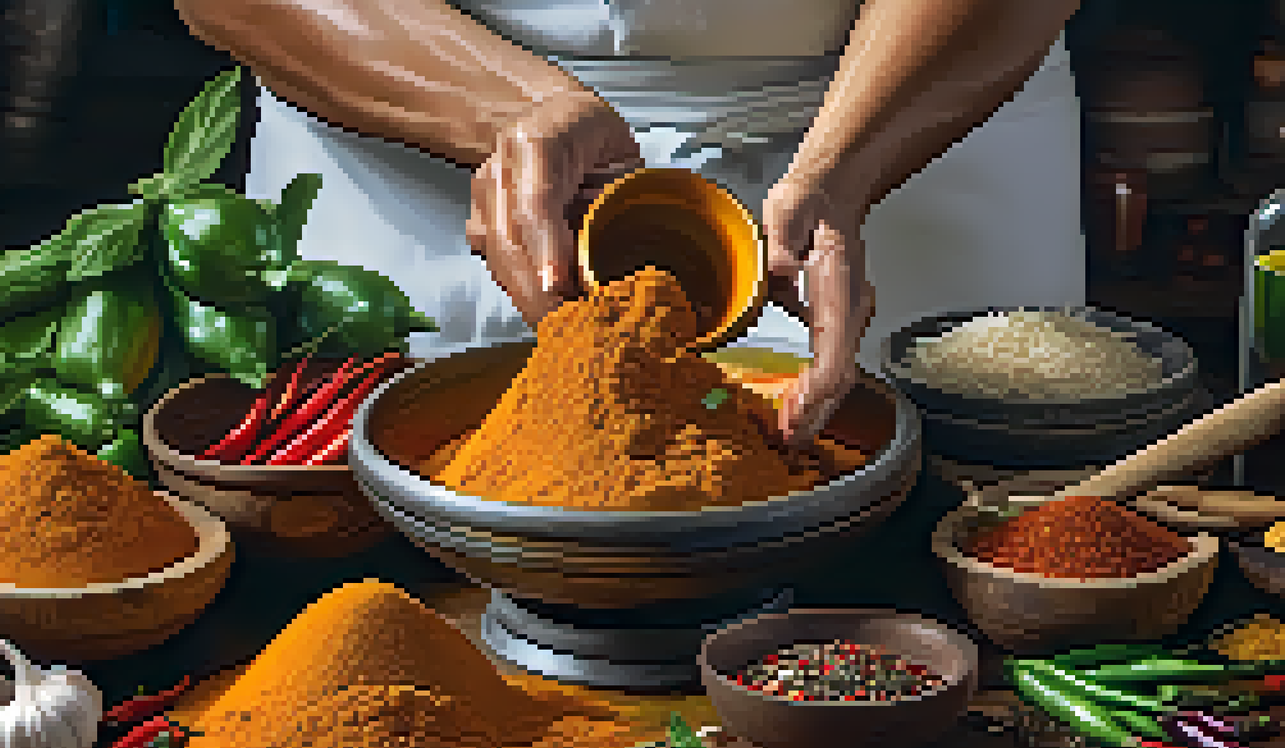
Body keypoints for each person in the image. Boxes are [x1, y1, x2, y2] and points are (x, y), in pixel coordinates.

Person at [174, 0, 1084, 450]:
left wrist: (841, 172)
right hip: (400, 103)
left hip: (904, 104)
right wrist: (516, 114)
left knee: (931, 526)